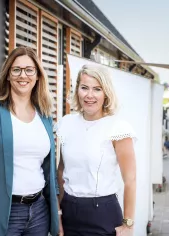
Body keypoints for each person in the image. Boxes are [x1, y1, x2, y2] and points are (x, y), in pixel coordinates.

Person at [0, 47, 63, 236]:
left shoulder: (45, 117)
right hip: (3, 213)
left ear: (37, 76)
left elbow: (49, 171)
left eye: (29, 70)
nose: (22, 75)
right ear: (8, 75)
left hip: (39, 211)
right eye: (16, 69)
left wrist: (56, 214)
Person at [55, 64, 137, 236]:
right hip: (69, 211)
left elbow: (130, 180)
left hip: (103, 214)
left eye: (97, 89)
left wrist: (128, 224)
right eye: (84, 88)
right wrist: (58, 214)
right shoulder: (65, 124)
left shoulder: (118, 128)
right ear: (77, 90)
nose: (89, 95)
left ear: (105, 93)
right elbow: (61, 171)